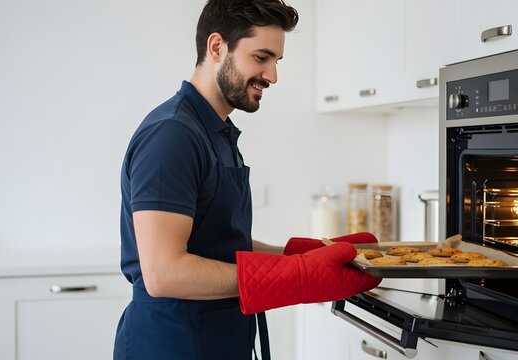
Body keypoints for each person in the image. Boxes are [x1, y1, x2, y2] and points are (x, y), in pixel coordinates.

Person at [113, 0, 381, 359]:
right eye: (261, 58)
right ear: (216, 47)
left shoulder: (214, 131)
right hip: (172, 344)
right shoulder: (172, 135)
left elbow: (217, 243)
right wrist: (296, 275)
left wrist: (304, 253)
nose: (272, 76)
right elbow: (164, 272)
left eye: (275, 62)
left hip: (218, 341)